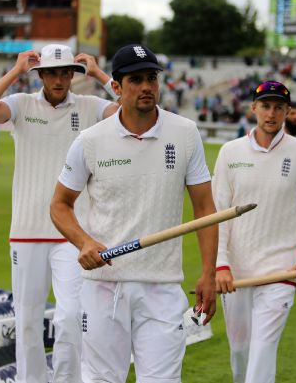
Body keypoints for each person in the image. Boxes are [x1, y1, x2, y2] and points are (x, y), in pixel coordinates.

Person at [50, 44, 218, 383]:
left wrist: (208, 273)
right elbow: (59, 204)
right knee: (101, 379)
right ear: (116, 87)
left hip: (162, 286)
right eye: (135, 79)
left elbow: (205, 208)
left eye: (151, 78)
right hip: (103, 286)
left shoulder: (185, 133)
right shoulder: (90, 140)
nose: (146, 86)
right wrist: (83, 242)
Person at [0, 43, 119, 383]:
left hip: (72, 234)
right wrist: (14, 72)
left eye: (66, 72)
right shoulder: (22, 105)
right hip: (26, 230)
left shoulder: (90, 106)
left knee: (70, 316)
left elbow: (134, 111)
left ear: (72, 74)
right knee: (28, 320)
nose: (59, 79)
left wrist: (98, 74)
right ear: (41, 74)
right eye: (52, 72)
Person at [213, 80, 296, 383]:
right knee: (240, 353)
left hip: (281, 272)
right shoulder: (229, 152)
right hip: (236, 273)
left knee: (262, 353)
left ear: (288, 112)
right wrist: (221, 264)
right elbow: (218, 215)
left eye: (279, 107)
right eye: (265, 106)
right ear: (253, 108)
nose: (271, 113)